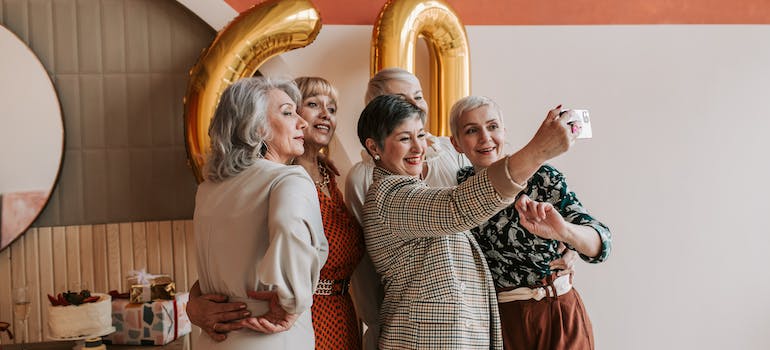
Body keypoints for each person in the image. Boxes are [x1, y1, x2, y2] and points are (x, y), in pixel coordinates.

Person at [346, 68, 578, 349]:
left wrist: (564, 239)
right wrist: (538, 150)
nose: (418, 147)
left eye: (420, 135)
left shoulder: (430, 179)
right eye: (404, 139)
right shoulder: (389, 195)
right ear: (375, 148)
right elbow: (459, 206)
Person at [448, 96, 612, 350]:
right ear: (456, 143)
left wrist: (566, 234)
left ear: (504, 131)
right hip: (502, 324)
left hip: (559, 314)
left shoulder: (543, 177)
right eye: (472, 130)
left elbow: (601, 243)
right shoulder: (458, 190)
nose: (485, 138)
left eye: (492, 127)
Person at [191, 76, 329, 349]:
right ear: (256, 128)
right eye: (288, 113)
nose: (302, 122)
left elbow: (223, 262)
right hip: (269, 334)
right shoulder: (289, 179)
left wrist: (193, 303)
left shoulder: (207, 188)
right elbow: (291, 232)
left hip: (213, 337)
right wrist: (291, 303)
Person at [291, 77, 364, 350]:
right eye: (313, 104)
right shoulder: (284, 177)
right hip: (306, 315)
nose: (325, 115)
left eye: (331, 109)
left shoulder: (330, 174)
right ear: (292, 114)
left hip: (343, 309)